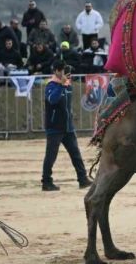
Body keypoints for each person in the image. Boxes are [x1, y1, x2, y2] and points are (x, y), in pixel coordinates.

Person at [41, 60, 93, 191]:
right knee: (51, 156)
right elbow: (52, 100)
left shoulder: (68, 86)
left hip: (68, 127)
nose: (68, 75)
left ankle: (83, 179)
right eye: (65, 72)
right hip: (54, 127)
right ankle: (46, 182)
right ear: (57, 71)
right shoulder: (51, 85)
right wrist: (62, 86)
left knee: (76, 154)